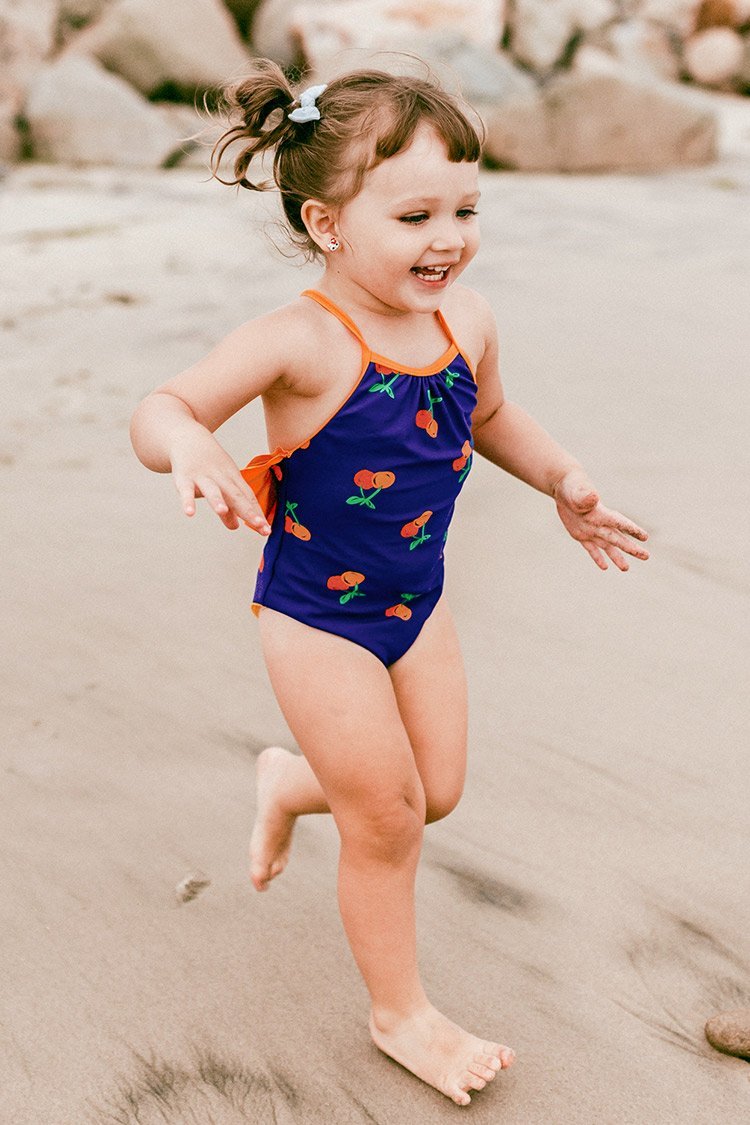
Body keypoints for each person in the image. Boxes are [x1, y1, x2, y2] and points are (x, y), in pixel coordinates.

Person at [130, 58, 649, 1107]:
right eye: (415, 215)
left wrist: (562, 479)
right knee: (388, 822)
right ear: (327, 225)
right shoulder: (303, 340)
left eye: (465, 207)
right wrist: (187, 446)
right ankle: (400, 1014)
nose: (448, 237)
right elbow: (165, 406)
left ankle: (288, 781)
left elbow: (491, 417)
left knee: (434, 792)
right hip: (316, 619)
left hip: (419, 604)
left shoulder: (470, 322)